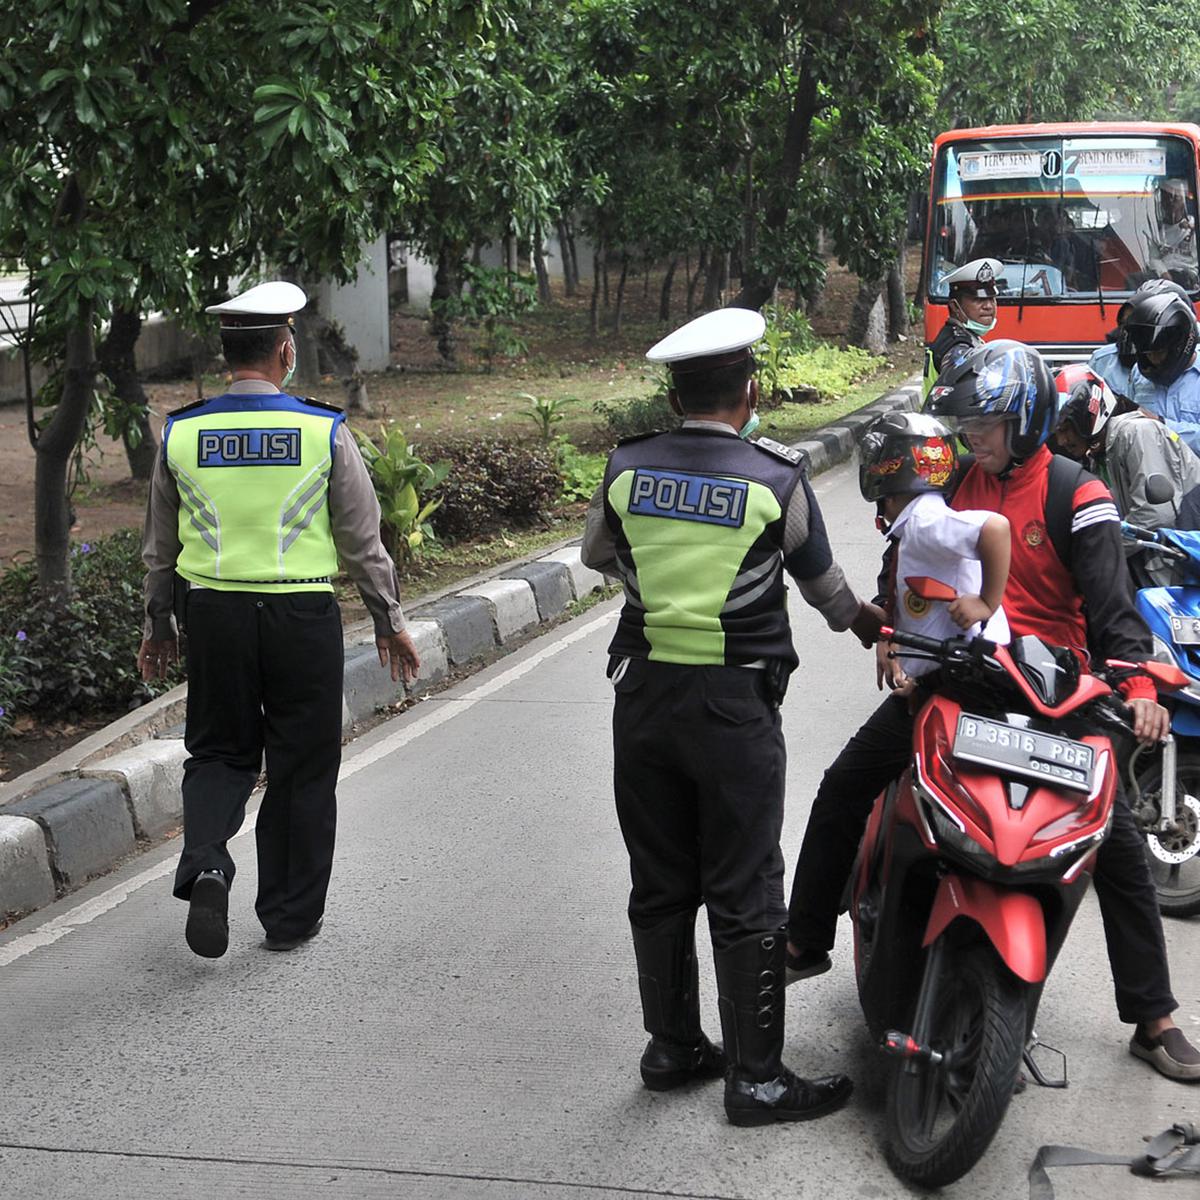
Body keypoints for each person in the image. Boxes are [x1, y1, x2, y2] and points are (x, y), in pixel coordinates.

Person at [787, 340, 1200, 1083]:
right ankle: (805, 939)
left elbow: (1115, 612)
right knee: (847, 783)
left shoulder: (1079, 495)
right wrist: (890, 634)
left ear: (1026, 419)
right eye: (967, 424)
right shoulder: (953, 484)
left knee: (1118, 844)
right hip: (958, 674)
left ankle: (1153, 1016)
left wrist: (1137, 688)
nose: (970, 437)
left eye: (983, 424)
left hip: (1054, 689)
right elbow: (907, 562)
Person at [581, 307, 884, 1126]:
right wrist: (874, 628)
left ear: (674, 393)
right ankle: (756, 1078)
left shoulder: (627, 469)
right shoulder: (775, 480)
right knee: (746, 885)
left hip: (641, 699)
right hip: (732, 707)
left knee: (661, 877)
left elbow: (597, 556)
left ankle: (672, 1046)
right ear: (749, 391)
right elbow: (827, 592)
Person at [139, 281, 420, 959]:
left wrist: (158, 624)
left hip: (212, 614)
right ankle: (290, 918)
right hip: (301, 613)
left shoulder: (182, 431)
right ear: (285, 349)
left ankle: (207, 862)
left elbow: (161, 546)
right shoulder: (322, 430)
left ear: (226, 352)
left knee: (219, 751)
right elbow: (361, 540)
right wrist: (389, 619)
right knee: (301, 761)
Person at [858, 410, 1011, 693]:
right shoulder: (917, 523)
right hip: (946, 673)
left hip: (969, 675)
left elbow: (996, 528)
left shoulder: (923, 521)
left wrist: (987, 602)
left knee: (868, 741)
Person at [1055, 369, 1200, 584]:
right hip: (1163, 564)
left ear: (1088, 417)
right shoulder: (1098, 455)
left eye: (1066, 429)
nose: (1061, 441)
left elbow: (1156, 515)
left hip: (1182, 566)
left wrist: (1099, 552)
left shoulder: (1137, 433)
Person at [1125, 287, 1200, 455]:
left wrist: (1161, 426)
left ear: (1180, 345)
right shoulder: (1139, 373)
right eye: (1148, 354)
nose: (1153, 359)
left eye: (1159, 352)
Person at [923, 258, 1006, 398]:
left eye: (992, 299)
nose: (989, 306)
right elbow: (969, 400)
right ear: (955, 307)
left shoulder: (960, 337)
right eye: (978, 300)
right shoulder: (958, 348)